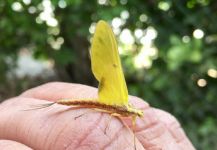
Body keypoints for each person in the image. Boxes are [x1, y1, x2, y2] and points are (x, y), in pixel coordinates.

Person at [0, 82, 195, 150]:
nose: (138, 115)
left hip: (99, 105)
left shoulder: (130, 114)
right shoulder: (125, 109)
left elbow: (117, 118)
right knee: (94, 117)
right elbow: (109, 115)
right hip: (91, 104)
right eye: (137, 113)